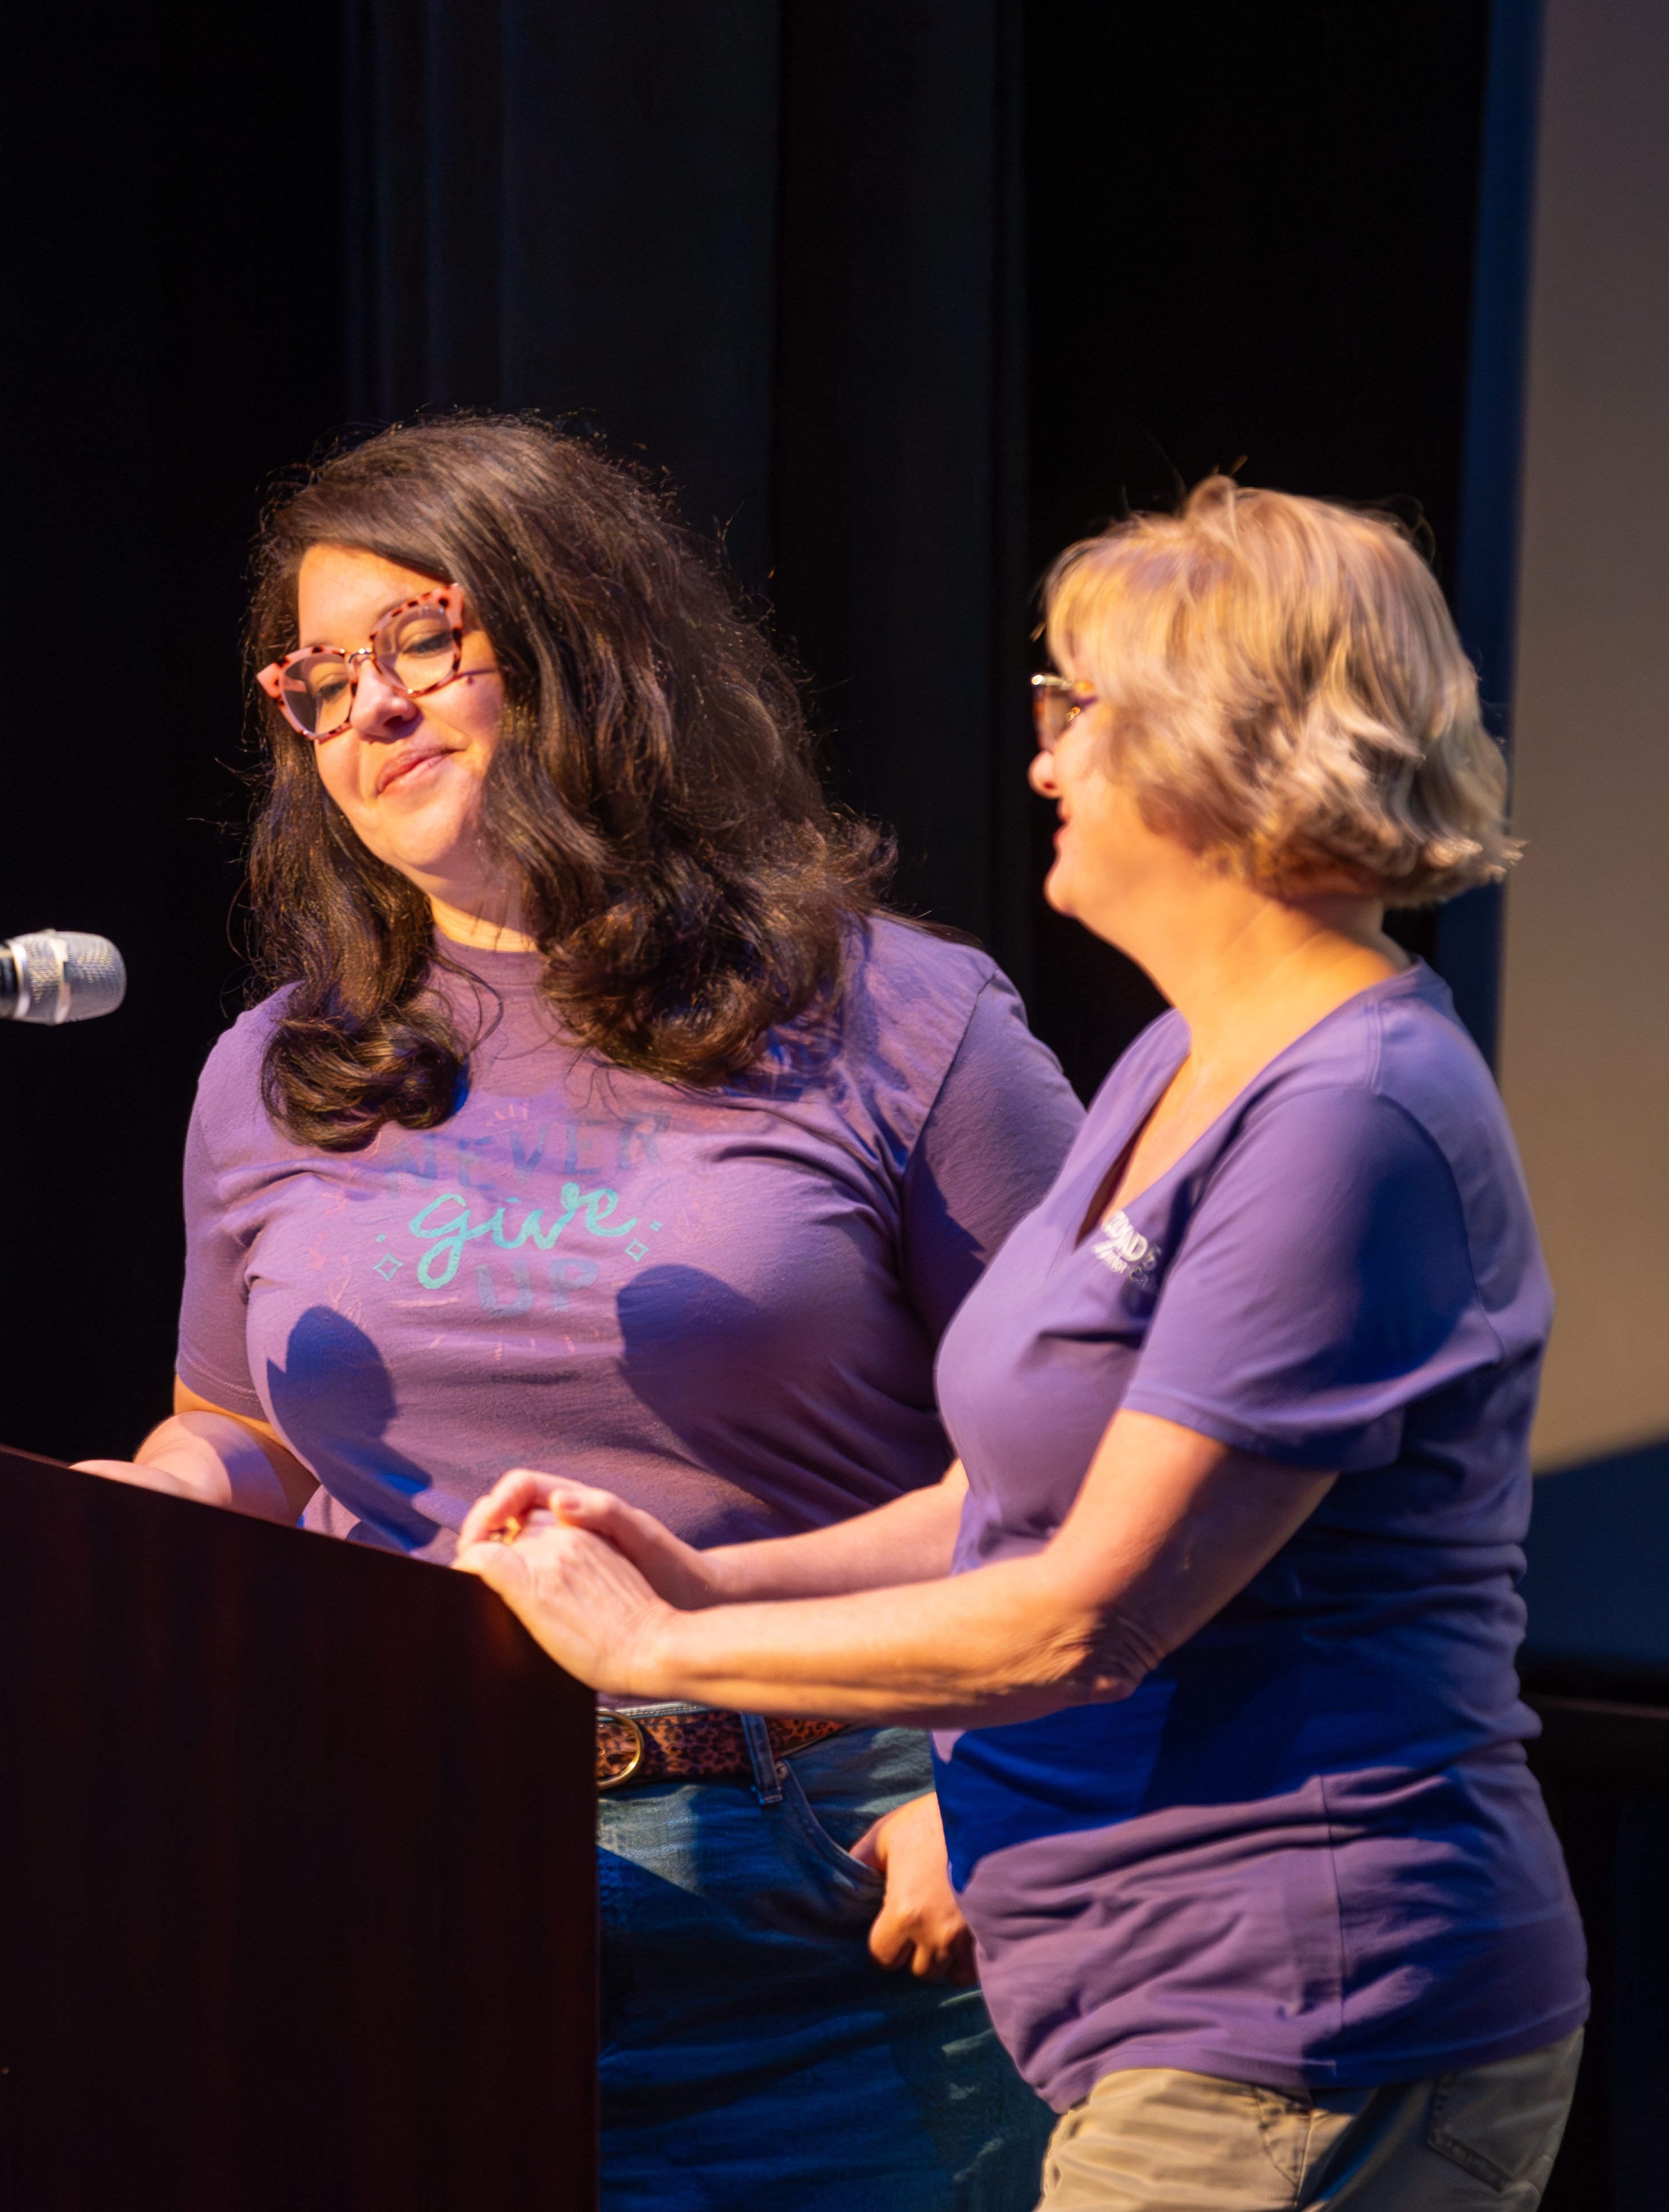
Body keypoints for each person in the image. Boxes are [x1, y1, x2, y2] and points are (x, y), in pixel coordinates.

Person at [454, 478, 1589, 2212]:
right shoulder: (1179, 1065)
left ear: (1228, 745)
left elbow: (1089, 1614)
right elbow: (1014, 1494)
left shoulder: (1350, 1116)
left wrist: (655, 1651)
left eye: (1078, 708)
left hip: (1313, 2020)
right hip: (1173, 2020)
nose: (1043, 758)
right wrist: (716, 1583)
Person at [74, 416, 1086, 2210]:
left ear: (584, 647)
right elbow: (235, 1429)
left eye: (425, 643)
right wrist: (154, 1507)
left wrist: (1009, 1794)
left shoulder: (900, 1020)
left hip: (831, 1882)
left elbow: (1099, 1474)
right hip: (383, 1873)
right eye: (319, 675)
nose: (369, 710)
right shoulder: (274, 1074)